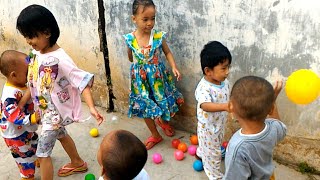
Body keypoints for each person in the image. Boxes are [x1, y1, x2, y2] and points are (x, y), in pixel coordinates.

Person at [16, 4, 104, 179]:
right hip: (45, 111)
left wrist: (92, 108)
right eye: (25, 36)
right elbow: (32, 83)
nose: (28, 41)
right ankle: (78, 163)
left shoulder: (61, 59)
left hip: (54, 117)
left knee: (42, 153)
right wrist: (22, 103)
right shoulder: (35, 53)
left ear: (47, 32)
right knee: (62, 136)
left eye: (31, 35)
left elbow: (82, 81)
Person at [123, 0, 184, 150]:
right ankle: (155, 134)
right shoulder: (130, 39)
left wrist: (174, 66)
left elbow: (167, 52)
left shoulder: (157, 36)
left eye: (153, 18)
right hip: (140, 81)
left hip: (158, 79)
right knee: (145, 106)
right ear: (134, 19)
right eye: (145, 19)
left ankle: (163, 121)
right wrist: (137, 63)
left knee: (161, 101)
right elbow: (130, 58)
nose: (150, 23)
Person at [224, 76, 286, 180]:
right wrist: (273, 99)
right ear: (271, 109)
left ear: (231, 107)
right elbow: (279, 125)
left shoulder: (238, 148)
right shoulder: (273, 128)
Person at [0, 50, 40, 180]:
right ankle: (27, 176)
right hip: (15, 135)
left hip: (25, 128)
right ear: (14, 75)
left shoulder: (21, 84)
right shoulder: (9, 94)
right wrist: (32, 118)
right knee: (24, 158)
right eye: (27, 73)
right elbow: (12, 115)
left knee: (34, 142)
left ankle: (37, 158)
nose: (30, 76)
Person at [194, 41, 232, 179]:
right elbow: (205, 105)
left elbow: (226, 94)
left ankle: (200, 152)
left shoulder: (224, 82)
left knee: (214, 145)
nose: (227, 72)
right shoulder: (204, 88)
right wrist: (225, 106)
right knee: (213, 156)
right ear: (208, 71)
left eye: (228, 67)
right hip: (208, 128)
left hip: (219, 124)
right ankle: (215, 176)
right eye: (223, 68)